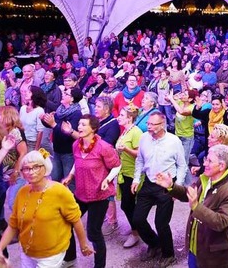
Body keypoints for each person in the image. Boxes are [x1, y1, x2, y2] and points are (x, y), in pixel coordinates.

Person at [0, 149, 95, 268]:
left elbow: (76, 220)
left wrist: (84, 245)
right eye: (26, 168)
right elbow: (13, 224)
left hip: (51, 255)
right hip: (27, 252)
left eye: (36, 167)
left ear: (45, 167)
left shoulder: (59, 191)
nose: (31, 172)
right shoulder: (22, 192)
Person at [157, 144, 228, 268]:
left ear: (221, 166)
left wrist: (196, 206)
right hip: (194, 248)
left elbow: (221, 222)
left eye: (210, 161)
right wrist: (171, 186)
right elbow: (188, 194)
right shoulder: (205, 179)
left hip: (212, 257)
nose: (205, 164)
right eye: (206, 159)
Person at [62, 114, 121, 268]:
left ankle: (99, 266)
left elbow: (116, 165)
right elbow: (77, 162)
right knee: (66, 223)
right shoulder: (76, 145)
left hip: (99, 196)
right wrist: (70, 175)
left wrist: (107, 180)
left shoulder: (104, 147)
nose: (79, 127)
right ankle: (70, 259)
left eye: (83, 125)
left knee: (93, 232)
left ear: (93, 128)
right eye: (79, 124)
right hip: (81, 194)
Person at [131, 110, 186, 267]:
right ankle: (155, 244)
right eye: (148, 123)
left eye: (152, 124)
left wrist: (177, 188)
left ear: (162, 125)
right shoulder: (143, 138)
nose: (148, 127)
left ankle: (169, 254)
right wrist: (136, 179)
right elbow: (140, 160)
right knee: (138, 219)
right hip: (148, 183)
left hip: (166, 186)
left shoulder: (173, 141)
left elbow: (182, 165)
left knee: (161, 223)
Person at [39, 87, 83, 182]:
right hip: (57, 150)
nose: (62, 94)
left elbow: (67, 134)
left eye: (66, 94)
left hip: (68, 152)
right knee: (55, 179)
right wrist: (44, 119)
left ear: (72, 99)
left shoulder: (76, 114)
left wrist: (53, 124)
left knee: (67, 181)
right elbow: (51, 125)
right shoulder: (60, 109)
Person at [115, 106, 143, 249]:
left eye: (121, 115)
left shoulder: (136, 132)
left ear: (129, 117)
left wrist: (125, 149)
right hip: (123, 172)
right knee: (127, 205)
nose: (118, 117)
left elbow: (140, 154)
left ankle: (136, 233)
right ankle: (135, 228)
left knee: (128, 205)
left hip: (132, 174)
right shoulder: (126, 131)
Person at [19, 86, 48, 153]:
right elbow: (20, 125)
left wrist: (36, 149)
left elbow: (40, 131)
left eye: (29, 92)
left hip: (32, 142)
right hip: (22, 140)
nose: (26, 93)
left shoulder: (39, 110)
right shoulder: (23, 108)